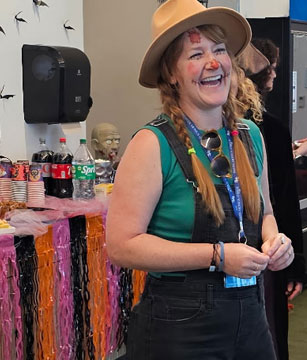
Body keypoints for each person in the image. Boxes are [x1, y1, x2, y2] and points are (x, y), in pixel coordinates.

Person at [105, 0, 294, 358]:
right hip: (178, 326)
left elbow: (264, 212)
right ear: (172, 73)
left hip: (250, 317)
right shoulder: (152, 144)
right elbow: (121, 245)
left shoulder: (250, 135)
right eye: (195, 54)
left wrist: (275, 240)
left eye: (219, 50)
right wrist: (216, 255)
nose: (212, 62)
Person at [247, 38, 307, 360]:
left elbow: (278, 204)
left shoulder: (264, 131)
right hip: (265, 256)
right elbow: (286, 202)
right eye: (271, 67)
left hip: (263, 251)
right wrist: (295, 265)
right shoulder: (271, 130)